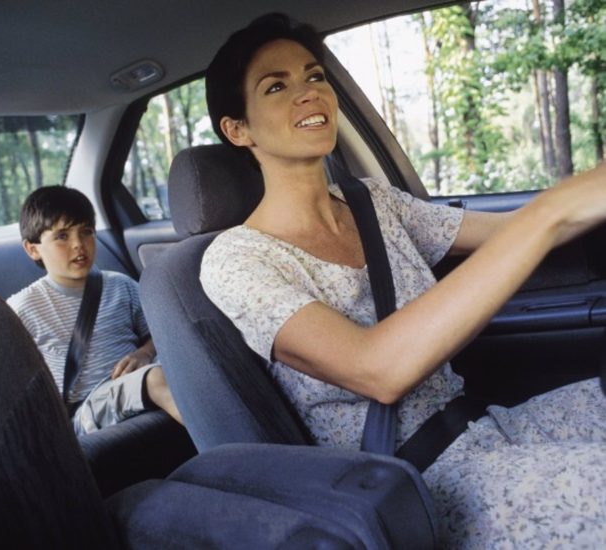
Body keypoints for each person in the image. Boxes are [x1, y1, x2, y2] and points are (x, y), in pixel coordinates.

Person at [199, 12, 606, 548]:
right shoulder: (236, 260)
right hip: (416, 484)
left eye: (314, 75)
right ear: (238, 129)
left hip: (486, 427)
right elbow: (377, 368)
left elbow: (510, 236)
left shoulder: (375, 202)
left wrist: (577, 201)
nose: (307, 93)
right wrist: (549, 210)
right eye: (276, 86)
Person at [7, 185, 181, 435]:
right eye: (62, 236)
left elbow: (160, 335)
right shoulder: (22, 309)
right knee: (157, 379)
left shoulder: (121, 286)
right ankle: (231, 446)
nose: (79, 244)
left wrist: (144, 352)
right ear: (32, 248)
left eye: (86, 232)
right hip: (83, 412)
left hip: (139, 381)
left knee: (184, 362)